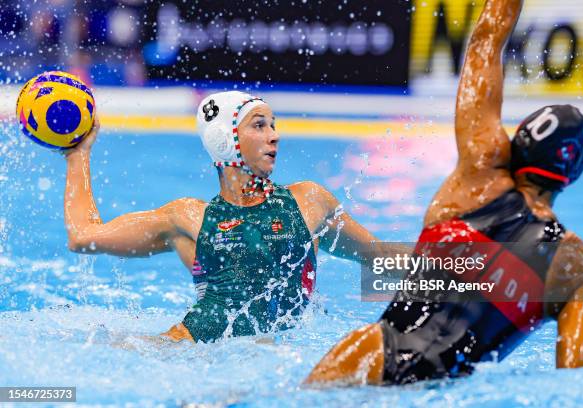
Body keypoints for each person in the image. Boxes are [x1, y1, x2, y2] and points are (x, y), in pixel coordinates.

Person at [305, 0, 583, 385]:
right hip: (444, 394)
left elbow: (485, 41)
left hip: (369, 360)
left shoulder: (478, 178)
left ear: (517, 148)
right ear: (574, 172)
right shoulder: (578, 271)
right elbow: (575, 387)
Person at [63, 91, 398, 343]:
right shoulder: (188, 217)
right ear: (225, 140)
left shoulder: (309, 202)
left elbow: (380, 256)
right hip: (189, 355)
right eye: (259, 125)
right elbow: (83, 236)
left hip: (278, 357)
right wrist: (79, 153)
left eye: (273, 125)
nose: (274, 135)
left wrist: (449, 269)